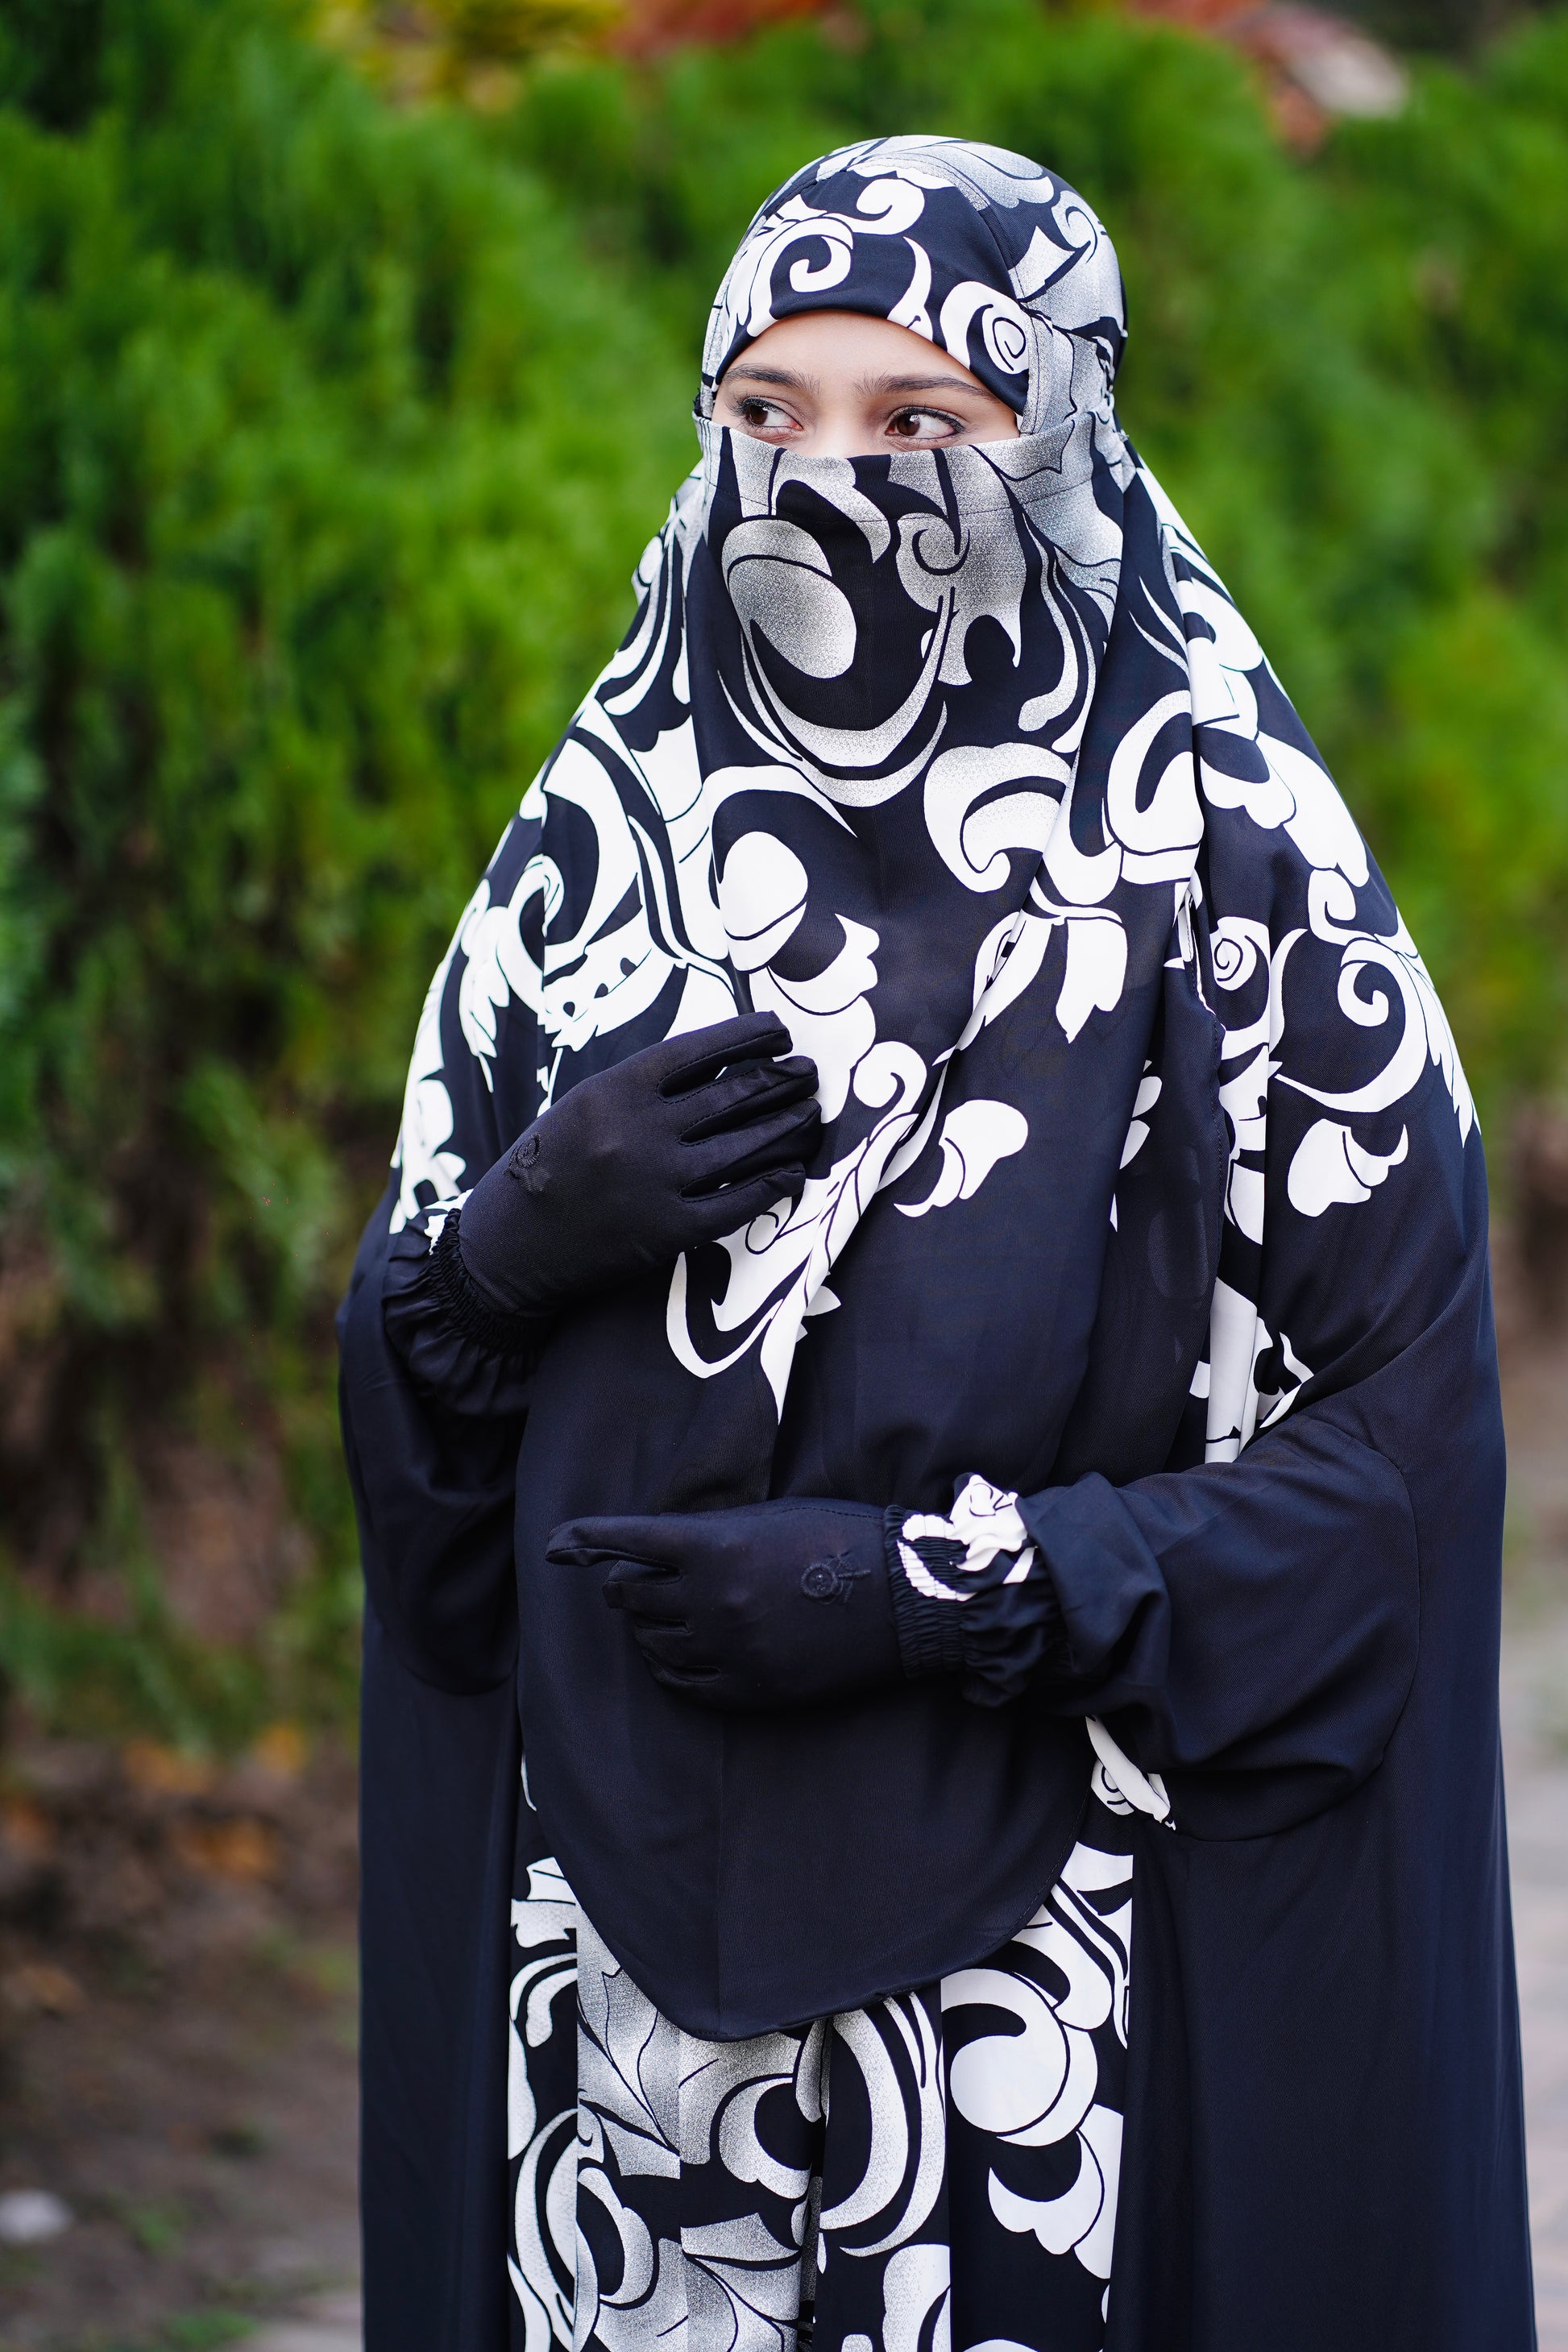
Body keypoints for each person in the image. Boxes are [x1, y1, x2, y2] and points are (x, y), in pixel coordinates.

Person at [338, 136, 1535, 2352]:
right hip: (610, 2030)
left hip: (1057, 2024)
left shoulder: (1234, 861)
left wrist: (937, 1590)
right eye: (764, 412)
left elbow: (1396, 1475)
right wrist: (494, 1262)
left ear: (1059, 436)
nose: (822, 485)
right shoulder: (589, 848)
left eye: (919, 421)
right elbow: (428, 1532)